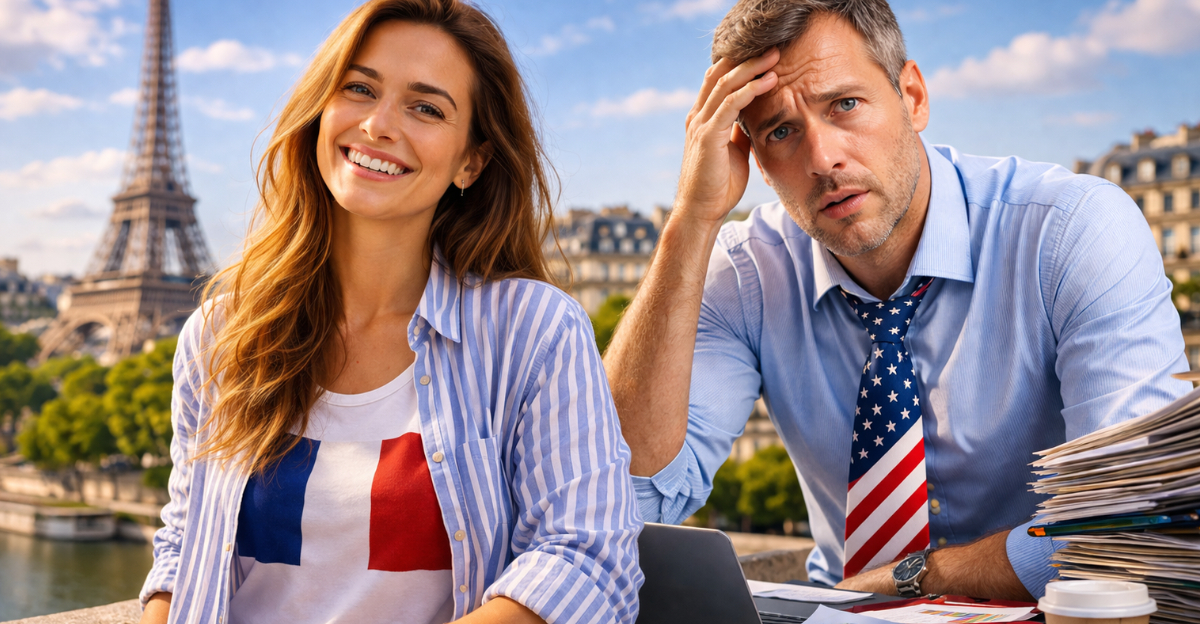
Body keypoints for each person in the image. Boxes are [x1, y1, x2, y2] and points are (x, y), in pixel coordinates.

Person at [604, 0, 1189, 601]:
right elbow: (626, 499)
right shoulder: (747, 271)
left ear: (913, 97)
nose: (823, 159)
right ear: (754, 158)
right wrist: (691, 220)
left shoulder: (1070, 230)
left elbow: (1136, 521)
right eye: (780, 131)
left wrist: (917, 577)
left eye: (844, 105)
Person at [137, 1, 642, 623]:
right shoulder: (221, 334)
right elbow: (185, 545)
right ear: (319, 112)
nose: (378, 125)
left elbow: (586, 562)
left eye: (426, 107)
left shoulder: (532, 331)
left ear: (471, 161)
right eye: (359, 88)